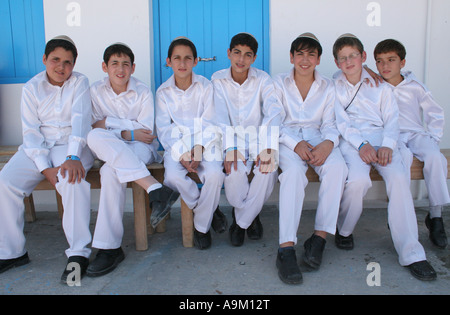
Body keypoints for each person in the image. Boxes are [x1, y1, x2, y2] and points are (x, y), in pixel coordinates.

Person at [333, 33, 436, 281]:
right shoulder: (334, 84)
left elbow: (392, 119)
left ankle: (412, 252)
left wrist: (388, 145)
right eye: (343, 58)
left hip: (383, 138)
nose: (349, 62)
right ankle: (344, 230)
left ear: (363, 57)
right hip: (352, 141)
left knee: (399, 179)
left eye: (354, 56)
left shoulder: (381, 85)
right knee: (358, 181)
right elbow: (341, 123)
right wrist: (362, 145)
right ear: (337, 63)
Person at [0, 35, 94, 283]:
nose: (61, 67)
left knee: (71, 180)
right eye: (55, 60)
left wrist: (73, 156)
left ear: (74, 65)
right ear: (44, 59)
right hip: (37, 148)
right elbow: (30, 132)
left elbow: (80, 120)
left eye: (67, 62)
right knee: (5, 182)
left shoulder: (80, 82)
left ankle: (78, 253)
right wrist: (44, 169)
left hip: (72, 145)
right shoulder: (31, 87)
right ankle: (12, 252)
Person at [87, 43, 179, 276]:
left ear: (133, 67)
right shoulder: (95, 91)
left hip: (141, 149)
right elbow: (94, 126)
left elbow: (146, 133)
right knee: (94, 136)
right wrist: (126, 131)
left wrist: (110, 123)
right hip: (113, 147)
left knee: (111, 170)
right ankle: (156, 189)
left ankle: (109, 248)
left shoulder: (143, 91)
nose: (120, 69)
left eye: (125, 64)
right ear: (104, 66)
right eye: (114, 64)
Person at [273, 33, 347, 284]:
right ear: (292, 57)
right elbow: (273, 121)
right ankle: (286, 248)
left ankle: (319, 238)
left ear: (318, 59)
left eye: (311, 54)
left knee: (338, 167)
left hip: (319, 137)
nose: (305, 60)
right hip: (287, 139)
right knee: (293, 174)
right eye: (300, 54)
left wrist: (328, 143)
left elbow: (332, 122)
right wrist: (295, 144)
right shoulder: (278, 83)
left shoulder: (329, 86)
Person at [374, 39, 449, 249]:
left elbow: (435, 112)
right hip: (391, 138)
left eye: (391, 60)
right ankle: (398, 213)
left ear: (402, 62)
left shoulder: (415, 86)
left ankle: (435, 216)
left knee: (436, 158)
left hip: (416, 134)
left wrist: (433, 139)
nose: (385, 66)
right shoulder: (375, 86)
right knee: (402, 161)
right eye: (379, 62)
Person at [211, 33, 284, 247]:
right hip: (231, 140)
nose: (241, 59)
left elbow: (273, 111)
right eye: (237, 53)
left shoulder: (263, 79)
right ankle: (251, 215)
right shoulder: (217, 79)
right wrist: (231, 147)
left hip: (258, 140)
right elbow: (219, 116)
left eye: (247, 55)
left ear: (254, 58)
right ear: (229, 53)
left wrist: (268, 147)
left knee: (267, 170)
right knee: (234, 176)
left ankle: (241, 223)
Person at [155, 37, 225, 250]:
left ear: (195, 61)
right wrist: (183, 154)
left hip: (206, 143)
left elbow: (211, 121)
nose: (182, 63)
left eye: (188, 58)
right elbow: (164, 130)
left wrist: (198, 148)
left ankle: (201, 228)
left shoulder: (205, 86)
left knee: (214, 174)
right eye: (177, 58)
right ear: (169, 61)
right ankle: (209, 211)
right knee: (173, 176)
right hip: (176, 148)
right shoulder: (162, 92)